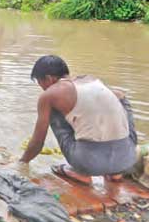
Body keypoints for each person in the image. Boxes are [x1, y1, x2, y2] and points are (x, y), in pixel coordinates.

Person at [20, 55, 138, 185]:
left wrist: (22, 163)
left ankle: (79, 172)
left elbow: (38, 142)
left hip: (88, 164)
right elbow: (118, 96)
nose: (42, 88)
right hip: (127, 159)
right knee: (120, 98)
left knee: (52, 108)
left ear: (48, 78)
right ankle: (116, 173)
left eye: (40, 83)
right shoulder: (92, 80)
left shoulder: (50, 95)